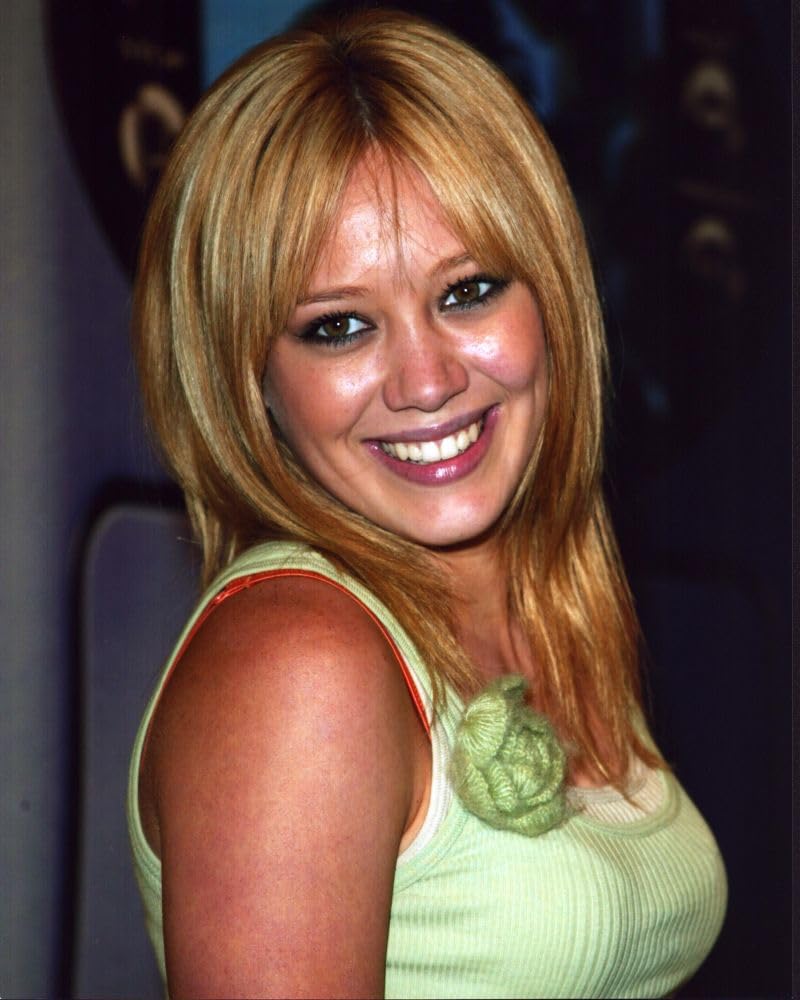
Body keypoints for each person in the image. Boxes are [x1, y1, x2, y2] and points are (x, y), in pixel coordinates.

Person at [127, 9, 727, 998]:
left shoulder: (551, 605)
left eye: (467, 290)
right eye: (339, 326)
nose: (425, 379)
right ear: (252, 380)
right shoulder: (300, 664)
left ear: (551, 297)